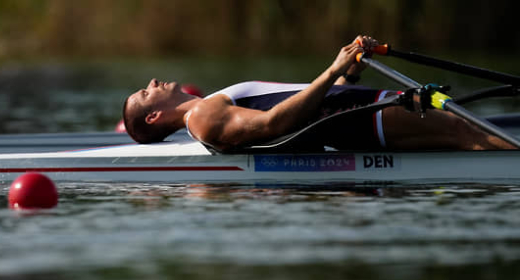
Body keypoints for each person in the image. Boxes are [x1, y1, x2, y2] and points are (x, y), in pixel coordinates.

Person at [122, 36, 517, 152]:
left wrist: (348, 73)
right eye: (146, 92)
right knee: (469, 134)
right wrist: (330, 69)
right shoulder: (204, 118)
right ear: (154, 117)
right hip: (360, 119)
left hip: (357, 112)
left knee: (470, 133)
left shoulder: (207, 108)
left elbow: (305, 108)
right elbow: (274, 123)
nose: (153, 82)